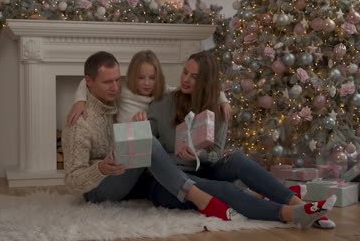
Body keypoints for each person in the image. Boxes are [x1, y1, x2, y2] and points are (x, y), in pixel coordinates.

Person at [141, 51, 337, 229]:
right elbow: (148, 150)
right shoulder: (162, 102)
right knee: (223, 189)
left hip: (202, 169)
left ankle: (300, 205)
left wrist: (199, 155)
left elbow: (217, 154)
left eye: (194, 77)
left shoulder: (218, 110)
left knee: (237, 158)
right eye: (185, 72)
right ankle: (289, 214)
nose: (186, 79)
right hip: (169, 183)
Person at [61, 51, 238, 221]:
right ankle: (202, 198)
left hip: (131, 170)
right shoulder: (81, 121)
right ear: (89, 82)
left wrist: (221, 97)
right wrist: (100, 168)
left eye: (117, 80)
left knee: (167, 187)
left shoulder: (129, 96)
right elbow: (72, 182)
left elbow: (198, 85)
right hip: (101, 186)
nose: (115, 87)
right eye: (108, 82)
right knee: (145, 139)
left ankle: (236, 194)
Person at [66, 50, 232, 126]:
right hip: (122, 141)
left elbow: (205, 86)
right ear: (132, 76)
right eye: (141, 78)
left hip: (147, 143)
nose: (147, 83)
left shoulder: (163, 91)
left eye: (152, 78)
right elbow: (86, 81)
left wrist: (222, 99)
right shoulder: (122, 89)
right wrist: (80, 101)